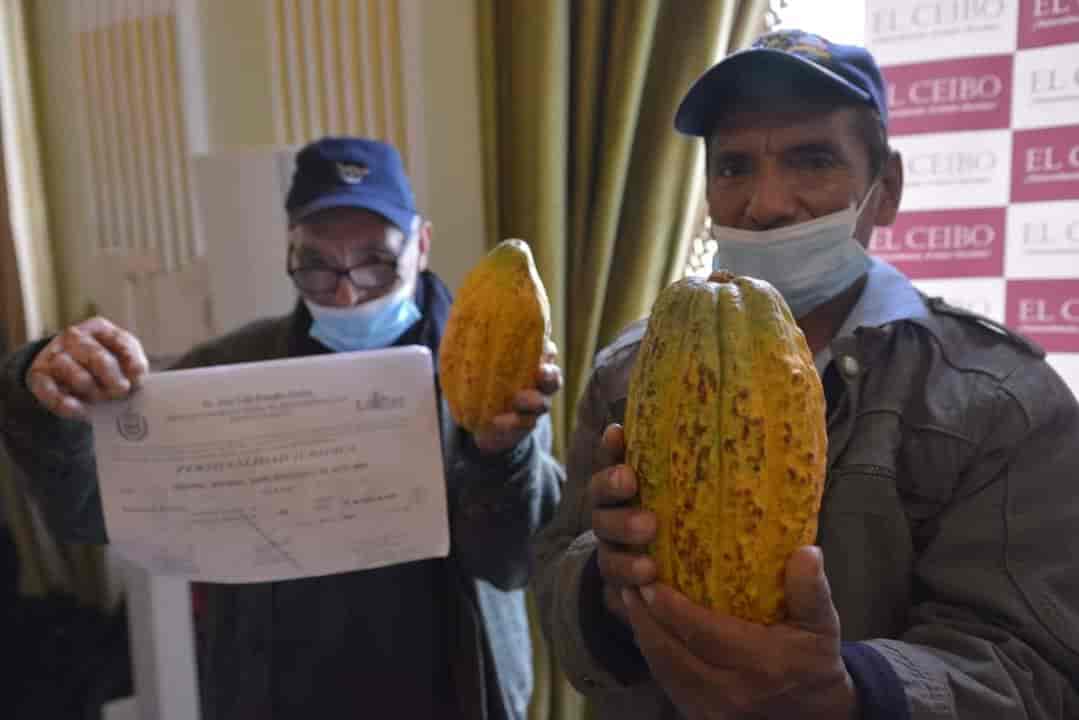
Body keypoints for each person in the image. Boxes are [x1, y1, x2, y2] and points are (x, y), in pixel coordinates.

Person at [532, 29, 1079, 720]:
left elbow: (1036, 666)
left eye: (811, 160)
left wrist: (854, 693)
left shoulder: (1002, 400)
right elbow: (552, 573)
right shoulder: (626, 372)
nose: (765, 204)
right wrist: (601, 591)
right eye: (732, 168)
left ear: (886, 189)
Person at [0, 136, 565, 720]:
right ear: (289, 254)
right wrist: (44, 397)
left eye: (375, 260)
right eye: (319, 265)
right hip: (275, 695)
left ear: (420, 246)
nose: (347, 291)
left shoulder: (487, 372)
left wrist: (506, 456)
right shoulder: (224, 373)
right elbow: (88, 513)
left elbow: (518, 560)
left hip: (454, 693)